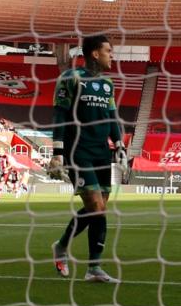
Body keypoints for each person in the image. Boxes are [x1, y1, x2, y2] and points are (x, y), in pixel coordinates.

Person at [50, 34, 125, 283]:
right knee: (96, 208)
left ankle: (83, 261)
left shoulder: (107, 85)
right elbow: (60, 115)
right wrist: (57, 154)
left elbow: (112, 117)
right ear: (95, 53)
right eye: (108, 51)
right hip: (77, 151)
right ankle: (81, 260)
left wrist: (121, 144)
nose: (111, 55)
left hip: (102, 153)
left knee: (99, 210)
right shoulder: (71, 78)